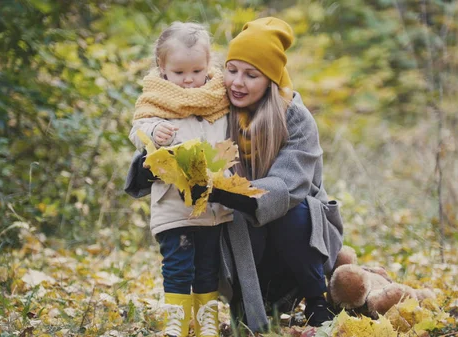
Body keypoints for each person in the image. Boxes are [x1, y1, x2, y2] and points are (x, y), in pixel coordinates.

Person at [207, 17, 345, 332]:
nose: (237, 83)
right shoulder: (215, 110)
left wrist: (232, 191)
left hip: (301, 243)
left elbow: (290, 186)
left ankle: (317, 300)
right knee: (237, 214)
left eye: (251, 75)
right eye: (231, 70)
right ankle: (245, 301)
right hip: (245, 243)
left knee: (288, 208)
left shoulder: (295, 117)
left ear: (270, 79)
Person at [127, 21, 232, 337]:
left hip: (212, 207)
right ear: (162, 69)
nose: (189, 80)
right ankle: (176, 319)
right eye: (179, 73)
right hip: (174, 206)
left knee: (207, 266)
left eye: (197, 71)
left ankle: (206, 319)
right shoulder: (156, 102)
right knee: (177, 264)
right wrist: (154, 132)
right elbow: (138, 130)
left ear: (208, 66)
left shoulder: (218, 99)